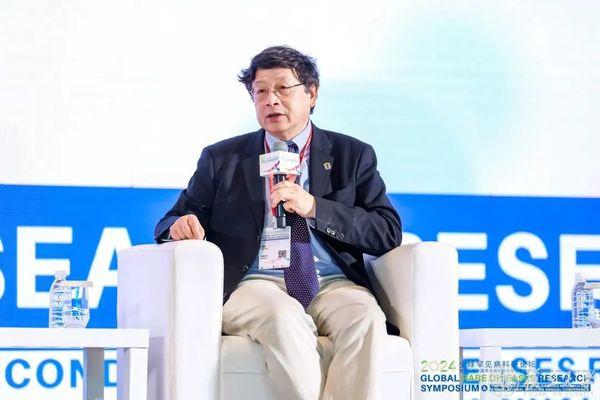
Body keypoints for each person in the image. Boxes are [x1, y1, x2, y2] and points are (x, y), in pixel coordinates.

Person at [155, 45, 402, 400]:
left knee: (365, 318)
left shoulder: (351, 155)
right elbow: (172, 218)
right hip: (253, 283)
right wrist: (179, 225)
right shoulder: (223, 158)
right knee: (282, 316)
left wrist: (315, 207)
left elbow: (387, 231)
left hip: (331, 283)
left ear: (312, 93)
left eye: (283, 88)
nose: (271, 100)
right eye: (260, 92)